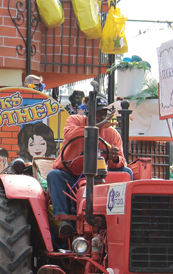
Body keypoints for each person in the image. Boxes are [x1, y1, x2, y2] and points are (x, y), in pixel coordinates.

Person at [48, 95, 130, 236]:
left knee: (126, 171)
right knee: (54, 175)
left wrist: (115, 158)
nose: (101, 117)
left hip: (101, 178)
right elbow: (69, 134)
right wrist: (96, 127)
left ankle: (125, 216)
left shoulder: (112, 134)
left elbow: (119, 161)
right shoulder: (74, 120)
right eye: (98, 114)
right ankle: (64, 219)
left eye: (103, 114)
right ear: (88, 113)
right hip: (72, 176)